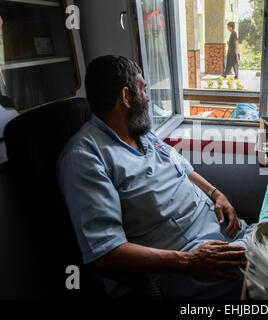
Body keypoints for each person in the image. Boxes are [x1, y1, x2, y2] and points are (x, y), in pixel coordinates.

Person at [57, 55, 254, 299]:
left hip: (224, 233)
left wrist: (216, 193)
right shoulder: (85, 157)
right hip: (188, 262)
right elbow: (106, 250)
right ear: (126, 96)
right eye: (143, 89)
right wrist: (190, 261)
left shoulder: (141, 134)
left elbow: (183, 168)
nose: (148, 98)